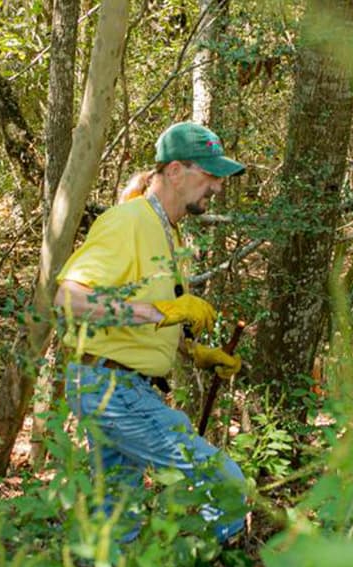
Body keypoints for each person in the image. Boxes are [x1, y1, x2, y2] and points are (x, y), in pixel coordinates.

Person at [54, 121, 248, 543]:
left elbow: (141, 319)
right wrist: (161, 310)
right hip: (111, 387)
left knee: (116, 517)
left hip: (119, 383)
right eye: (209, 175)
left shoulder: (167, 231)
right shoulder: (128, 222)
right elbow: (69, 300)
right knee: (225, 481)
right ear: (175, 171)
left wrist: (192, 352)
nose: (216, 186)